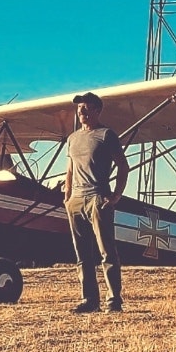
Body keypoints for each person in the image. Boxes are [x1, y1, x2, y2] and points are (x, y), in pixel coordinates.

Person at [63, 91, 131, 313]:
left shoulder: (106, 135)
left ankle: (114, 300)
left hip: (97, 197)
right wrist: (67, 197)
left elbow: (123, 166)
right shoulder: (72, 138)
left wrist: (116, 196)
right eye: (79, 107)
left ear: (97, 110)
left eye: (86, 107)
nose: (81, 111)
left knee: (106, 251)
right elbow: (70, 169)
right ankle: (89, 300)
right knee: (82, 254)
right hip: (76, 201)